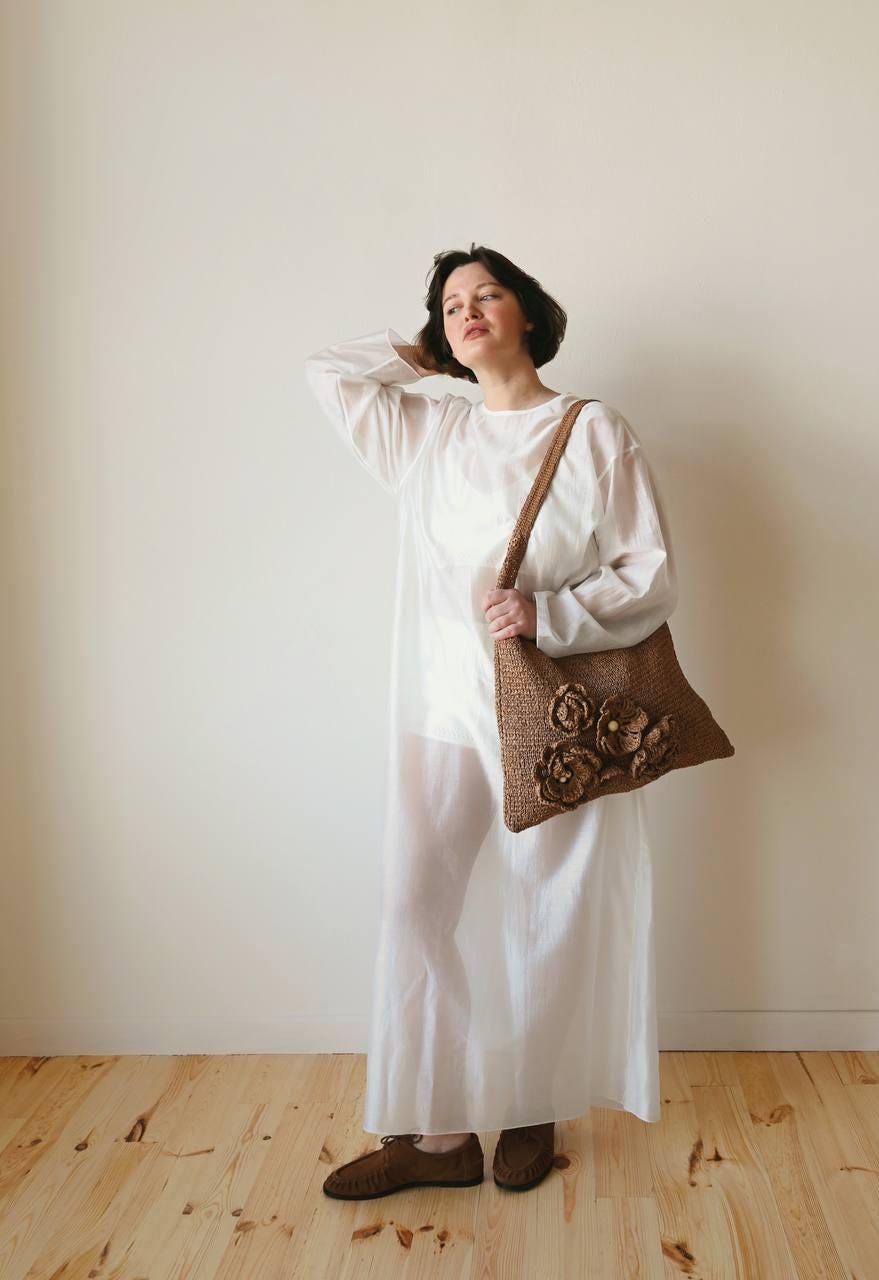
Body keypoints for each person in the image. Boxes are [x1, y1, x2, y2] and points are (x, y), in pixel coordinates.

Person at [305, 244, 679, 1200]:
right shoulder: (431, 433)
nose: (468, 310)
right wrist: (418, 354)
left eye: (488, 294)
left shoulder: (593, 431)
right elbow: (328, 374)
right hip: (443, 707)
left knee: (546, 910)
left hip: (551, 707)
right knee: (414, 906)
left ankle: (529, 1105)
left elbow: (648, 573)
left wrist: (549, 614)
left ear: (529, 313)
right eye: (450, 304)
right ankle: (438, 1137)